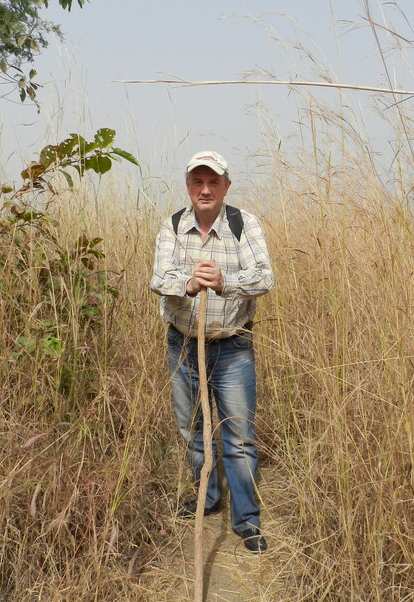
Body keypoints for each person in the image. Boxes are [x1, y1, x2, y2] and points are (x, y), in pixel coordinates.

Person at [150, 150, 274, 553]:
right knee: (193, 429)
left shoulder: (244, 224)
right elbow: (158, 278)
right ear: (188, 186)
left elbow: (264, 278)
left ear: (225, 186)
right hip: (184, 344)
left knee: (238, 435)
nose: (205, 190)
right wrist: (188, 284)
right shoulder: (172, 226)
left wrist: (224, 281)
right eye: (197, 182)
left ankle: (246, 521)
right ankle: (207, 497)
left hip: (233, 346)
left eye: (213, 182)